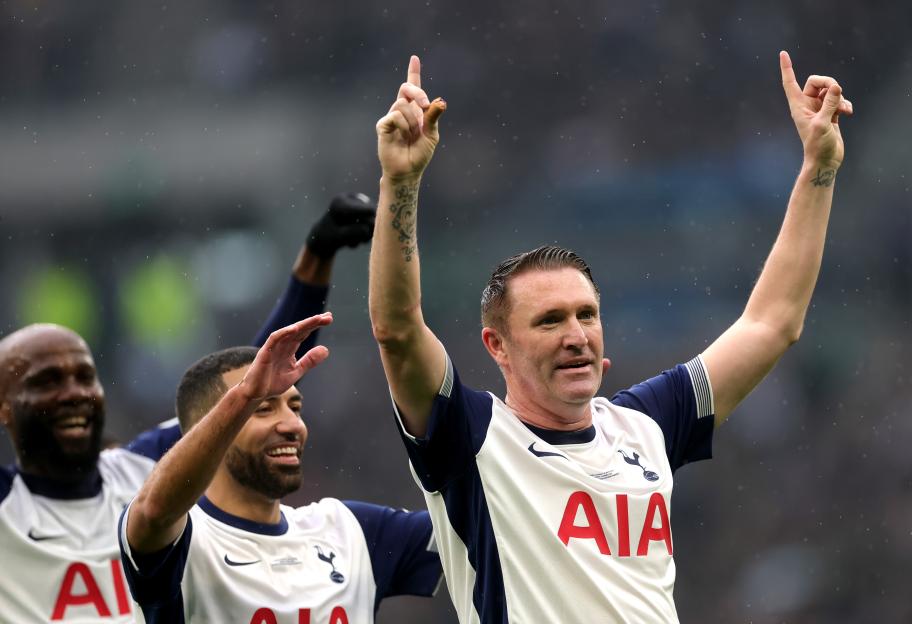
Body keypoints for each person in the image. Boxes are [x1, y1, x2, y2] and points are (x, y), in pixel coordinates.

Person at [367, 52, 852, 622]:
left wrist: (819, 166)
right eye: (549, 321)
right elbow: (397, 330)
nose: (576, 335)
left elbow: (772, 324)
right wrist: (400, 182)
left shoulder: (643, 426)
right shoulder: (471, 439)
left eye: (586, 315)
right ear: (496, 346)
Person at [0, 193, 375, 622]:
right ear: (4, 408)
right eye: (47, 382)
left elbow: (256, 378)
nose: (74, 393)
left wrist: (316, 255)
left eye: (86, 377)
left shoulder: (146, 470)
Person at [119, 316, 441, 623]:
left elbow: (474, 523)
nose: (292, 425)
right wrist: (245, 394)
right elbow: (154, 511)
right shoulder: (184, 542)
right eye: (263, 408)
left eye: (295, 407)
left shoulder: (351, 531)